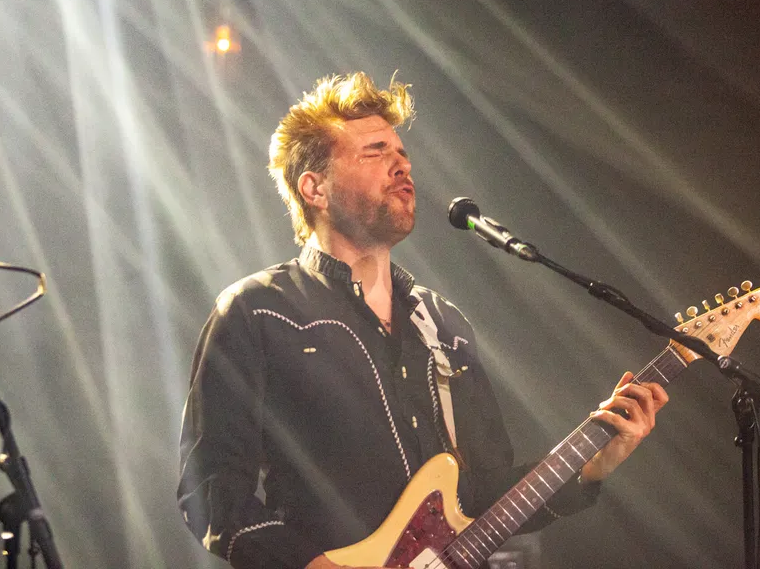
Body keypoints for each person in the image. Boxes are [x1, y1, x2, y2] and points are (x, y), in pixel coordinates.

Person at [178, 72, 668, 569]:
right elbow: (209, 488)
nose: (402, 165)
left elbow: (485, 497)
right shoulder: (258, 310)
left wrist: (589, 468)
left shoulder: (443, 325)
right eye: (374, 152)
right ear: (315, 188)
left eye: (402, 152)